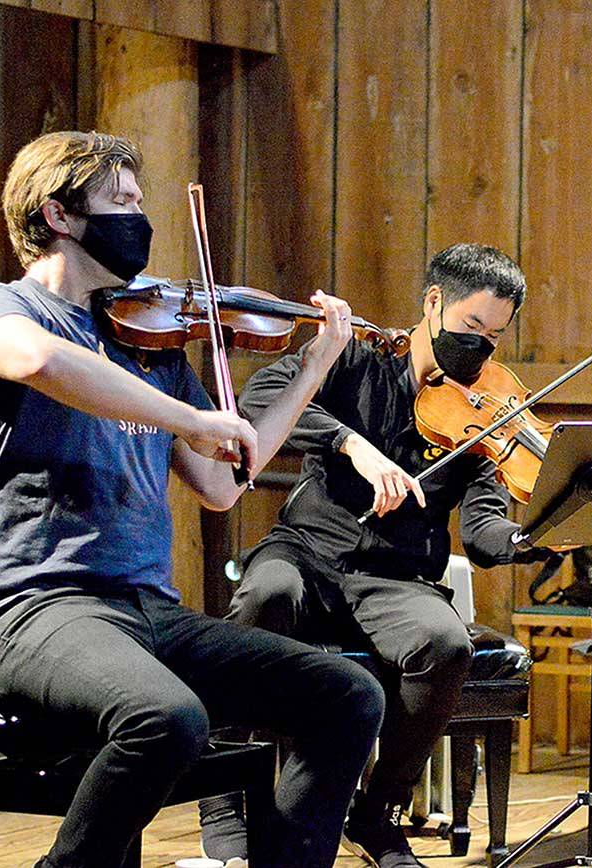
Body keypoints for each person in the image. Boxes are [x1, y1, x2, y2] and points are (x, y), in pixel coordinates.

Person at [0, 130, 385, 868]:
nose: (139, 219)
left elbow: (221, 484)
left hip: (147, 609)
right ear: (59, 215)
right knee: (168, 718)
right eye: (121, 202)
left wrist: (313, 366)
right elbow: (38, 362)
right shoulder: (0, 310)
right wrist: (190, 416)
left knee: (346, 693)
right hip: (31, 609)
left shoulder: (149, 344)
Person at [199, 243, 551, 868]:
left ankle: (377, 812)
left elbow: (486, 530)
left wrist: (539, 533)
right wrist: (351, 444)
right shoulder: (355, 360)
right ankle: (224, 797)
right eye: (473, 327)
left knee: (446, 643)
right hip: (308, 553)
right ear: (433, 302)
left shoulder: (484, 415)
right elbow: (261, 397)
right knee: (264, 594)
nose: (482, 349)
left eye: (495, 336)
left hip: (396, 578)